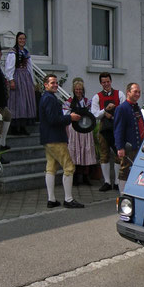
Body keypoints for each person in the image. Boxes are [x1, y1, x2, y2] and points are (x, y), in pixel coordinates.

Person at [40, 74, 85, 209]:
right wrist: (69, 118)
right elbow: (53, 119)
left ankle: (51, 199)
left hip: (48, 138)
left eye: (56, 83)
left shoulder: (47, 97)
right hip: (55, 138)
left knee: (51, 167)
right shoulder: (49, 99)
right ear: (45, 85)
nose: (55, 85)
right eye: (52, 83)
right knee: (69, 167)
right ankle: (68, 199)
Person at [90, 72, 125, 191]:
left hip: (117, 128)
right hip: (104, 128)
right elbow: (95, 115)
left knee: (117, 154)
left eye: (108, 82)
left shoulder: (119, 94)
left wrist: (112, 116)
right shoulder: (96, 97)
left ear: (111, 81)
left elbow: (124, 110)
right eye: (103, 82)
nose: (106, 84)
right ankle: (106, 181)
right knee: (104, 154)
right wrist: (104, 110)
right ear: (101, 83)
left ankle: (116, 181)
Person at [62, 78, 97, 186]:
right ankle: (76, 176)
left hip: (86, 129)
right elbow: (65, 114)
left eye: (80, 89)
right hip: (74, 130)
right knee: (75, 151)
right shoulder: (69, 102)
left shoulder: (87, 102)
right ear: (74, 90)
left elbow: (92, 114)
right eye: (77, 89)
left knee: (85, 151)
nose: (78, 91)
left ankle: (85, 176)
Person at [113, 83, 144, 194]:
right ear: (128, 92)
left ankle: (134, 191)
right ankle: (122, 193)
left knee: (137, 170)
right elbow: (118, 129)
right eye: (135, 91)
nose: (137, 94)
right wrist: (120, 147)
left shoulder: (137, 107)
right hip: (128, 146)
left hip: (138, 145)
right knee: (125, 170)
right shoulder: (121, 108)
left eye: (139, 92)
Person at [5, 32, 36, 135]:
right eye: (20, 39)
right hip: (17, 77)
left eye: (23, 39)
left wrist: (32, 81)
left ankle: (23, 126)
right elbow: (9, 67)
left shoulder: (26, 52)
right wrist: (11, 79)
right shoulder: (13, 52)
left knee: (25, 102)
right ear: (17, 40)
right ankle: (14, 127)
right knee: (17, 101)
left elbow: (30, 67)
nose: (22, 40)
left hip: (25, 78)